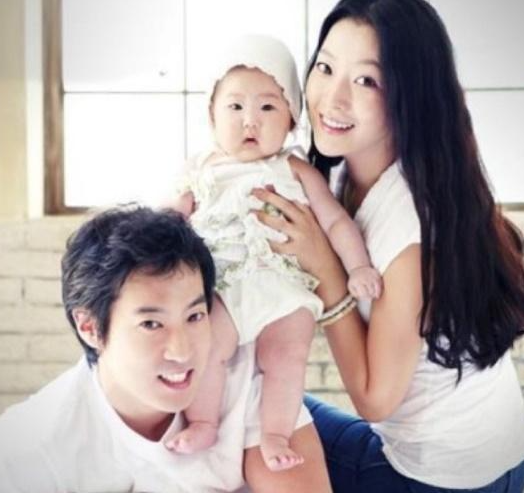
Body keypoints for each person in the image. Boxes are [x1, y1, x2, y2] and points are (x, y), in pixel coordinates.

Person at [251, 0, 524, 491]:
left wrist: (328, 273)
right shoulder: (356, 174)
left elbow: (375, 400)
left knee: (247, 413)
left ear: (411, 97)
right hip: (493, 458)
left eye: (366, 81)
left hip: (442, 481)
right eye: (326, 68)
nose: (333, 98)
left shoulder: (410, 228)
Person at [0, 205, 332, 493]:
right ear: (90, 328)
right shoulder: (31, 448)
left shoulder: (247, 376)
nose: (182, 351)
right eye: (151, 324)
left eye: (195, 316)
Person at [168, 34, 381, 471]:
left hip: (284, 286)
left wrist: (358, 266)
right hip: (225, 286)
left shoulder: (294, 168)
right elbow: (168, 220)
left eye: (267, 107)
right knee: (207, 347)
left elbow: (335, 221)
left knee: (286, 357)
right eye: (235, 107)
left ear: (291, 120)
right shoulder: (202, 168)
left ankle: (276, 433)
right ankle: (204, 421)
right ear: (211, 115)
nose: (250, 121)